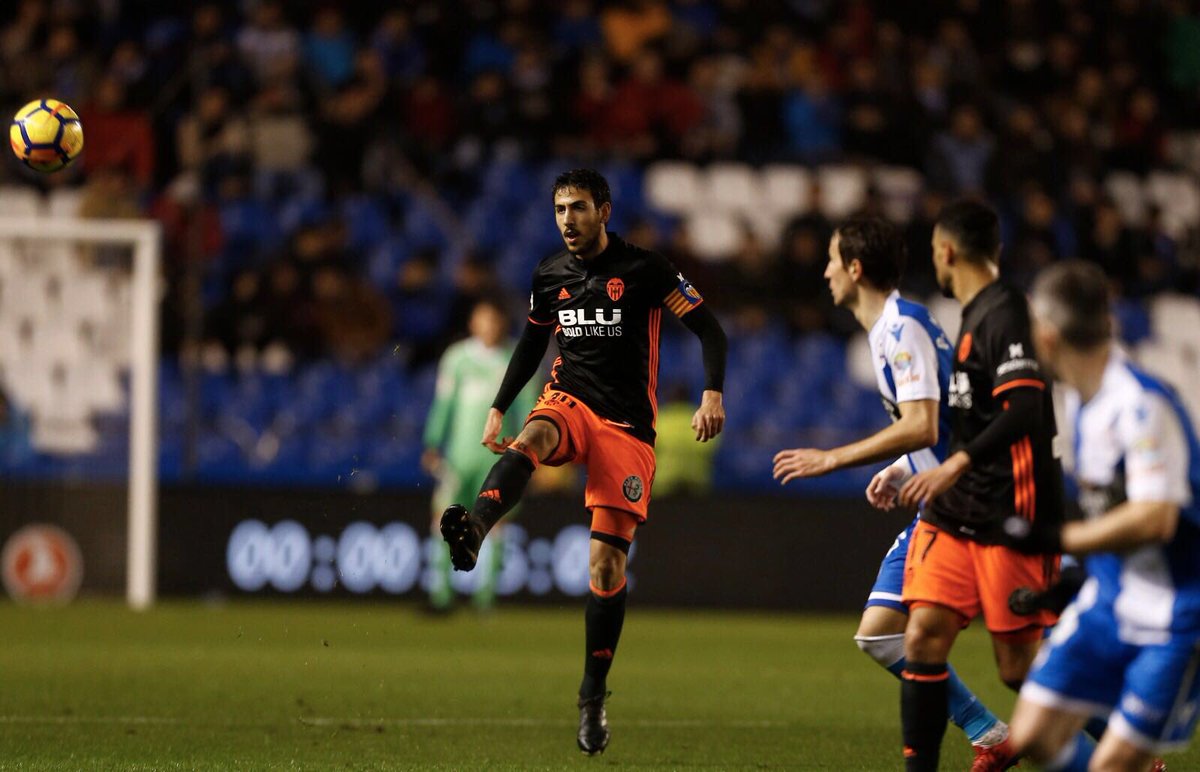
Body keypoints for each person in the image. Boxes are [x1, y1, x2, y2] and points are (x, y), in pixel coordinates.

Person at [439, 169, 728, 755]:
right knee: (535, 437)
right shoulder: (550, 275)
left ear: (604, 210)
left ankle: (592, 695)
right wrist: (499, 406)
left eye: (577, 208)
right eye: (559, 210)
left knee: (604, 571)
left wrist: (712, 392)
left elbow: (710, 329)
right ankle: (473, 528)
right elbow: (530, 342)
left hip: (626, 428)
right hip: (568, 398)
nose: (567, 220)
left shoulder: (646, 270)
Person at [773, 216, 1015, 770]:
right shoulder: (891, 328)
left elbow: (924, 424)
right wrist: (905, 466)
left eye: (833, 258)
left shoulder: (902, 326)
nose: (826, 268)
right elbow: (947, 421)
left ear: (855, 269)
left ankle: (1129, 751)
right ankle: (989, 733)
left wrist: (833, 457)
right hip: (941, 495)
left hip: (974, 499)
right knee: (880, 635)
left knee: (1025, 651)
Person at [893, 199, 1065, 771]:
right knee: (922, 637)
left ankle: (1130, 749)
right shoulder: (975, 313)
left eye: (935, 253)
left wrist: (955, 462)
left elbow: (1025, 408)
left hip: (1010, 510)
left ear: (946, 251)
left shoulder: (1005, 312)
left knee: (1018, 669)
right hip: (958, 512)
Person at [1005, 260, 1195, 772]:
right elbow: (1110, 511)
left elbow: (1156, 519)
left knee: (1112, 766)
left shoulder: (1139, 404)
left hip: (1175, 615)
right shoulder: (1083, 404)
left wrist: (1055, 538)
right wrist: (1069, 576)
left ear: (1046, 335)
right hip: (1110, 598)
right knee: (1032, 735)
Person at [422, 297, 538, 613]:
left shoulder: (516, 357)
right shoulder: (457, 358)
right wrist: (433, 442)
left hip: (497, 457)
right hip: (458, 457)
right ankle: (441, 597)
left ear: (502, 323)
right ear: (473, 323)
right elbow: (444, 403)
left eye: (494, 320)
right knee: (442, 519)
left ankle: (486, 599)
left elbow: (529, 407)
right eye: (483, 319)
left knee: (496, 524)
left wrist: (527, 447)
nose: (489, 326)